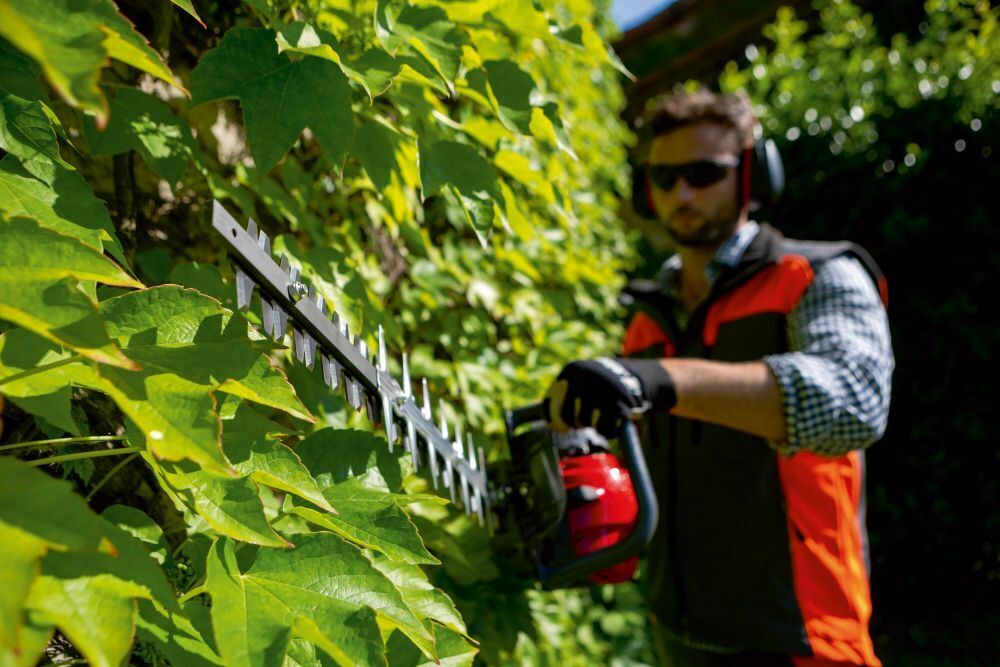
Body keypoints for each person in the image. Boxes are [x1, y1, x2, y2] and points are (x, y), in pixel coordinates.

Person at [544, 89, 893, 667]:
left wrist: (660, 379)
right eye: (665, 177)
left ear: (753, 175)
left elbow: (855, 401)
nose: (682, 193)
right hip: (677, 630)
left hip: (800, 636)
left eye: (704, 173)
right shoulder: (648, 319)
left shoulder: (816, 276)